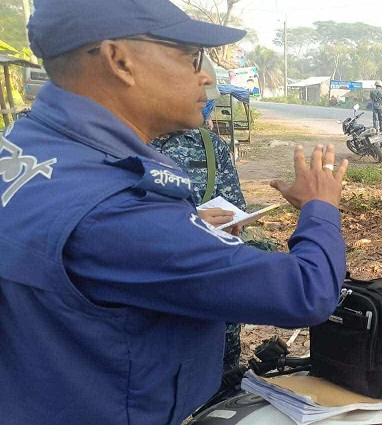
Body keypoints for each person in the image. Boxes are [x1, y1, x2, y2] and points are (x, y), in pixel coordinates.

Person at [0, 1, 349, 424]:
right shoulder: (118, 206)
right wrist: (320, 204)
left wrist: (180, 232)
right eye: (189, 56)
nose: (204, 75)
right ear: (119, 60)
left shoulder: (26, 146)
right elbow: (306, 292)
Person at [149, 53, 247, 374]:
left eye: (210, 97)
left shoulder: (210, 145)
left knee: (220, 381)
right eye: (201, 93)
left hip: (208, 290)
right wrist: (188, 225)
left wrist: (230, 226)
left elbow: (234, 209)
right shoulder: (123, 145)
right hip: (154, 305)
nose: (206, 102)